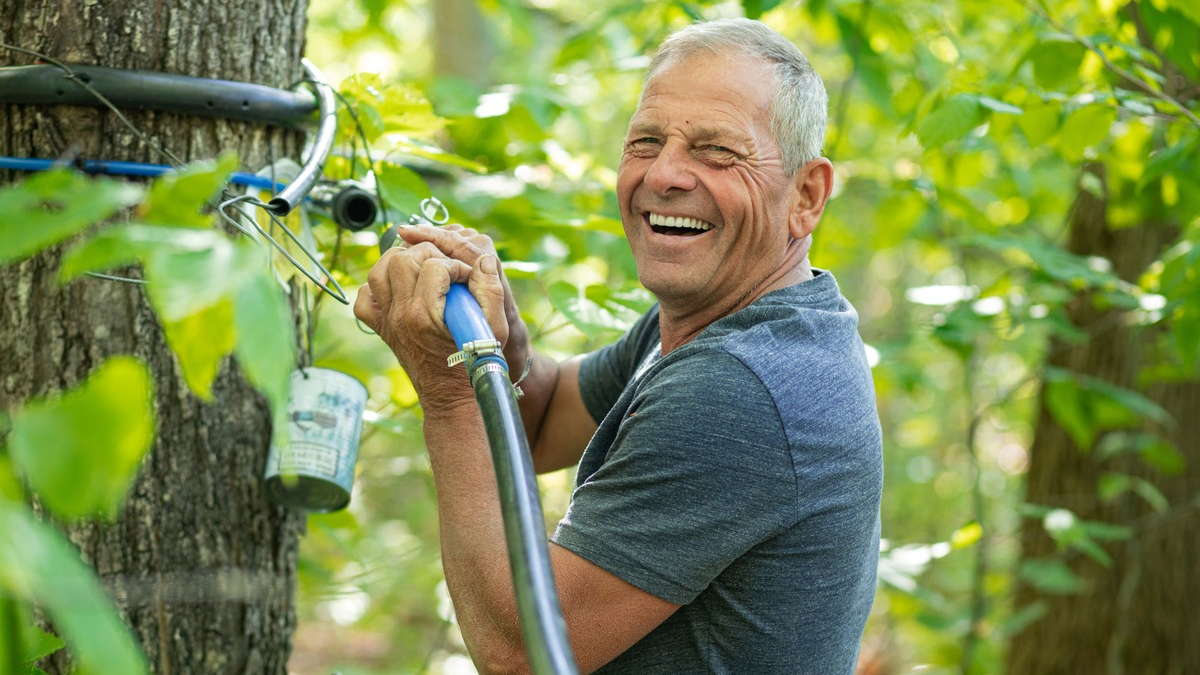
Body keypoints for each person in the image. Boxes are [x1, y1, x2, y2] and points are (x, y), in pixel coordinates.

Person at [354, 17, 882, 675]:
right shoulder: (729, 319)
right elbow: (542, 420)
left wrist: (448, 386)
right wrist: (505, 344)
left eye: (716, 151)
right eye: (646, 142)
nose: (664, 174)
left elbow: (524, 650)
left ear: (806, 196)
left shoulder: (740, 386)